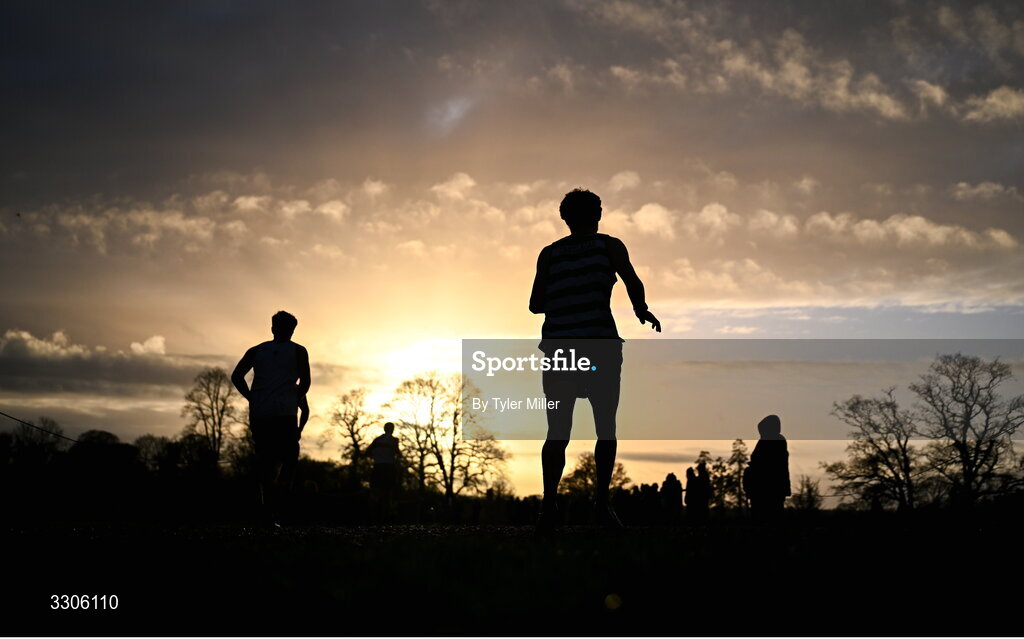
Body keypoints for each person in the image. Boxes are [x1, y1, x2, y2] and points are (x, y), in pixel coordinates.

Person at [530, 188, 661, 533]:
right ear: (597, 213)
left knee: (557, 430)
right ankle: (601, 506)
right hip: (600, 346)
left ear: (565, 218)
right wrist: (640, 309)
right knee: (606, 427)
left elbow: (535, 303)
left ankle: (549, 507)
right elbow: (632, 281)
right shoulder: (609, 246)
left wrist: (565, 298)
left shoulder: (549, 253)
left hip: (560, 347)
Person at [231, 310, 311, 525]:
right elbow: (306, 382)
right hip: (284, 413)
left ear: (273, 327)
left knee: (264, 461)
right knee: (289, 459)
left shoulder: (257, 350)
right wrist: (296, 398)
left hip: (260, 413)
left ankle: (266, 512)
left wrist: (251, 397)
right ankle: (278, 509)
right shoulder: (299, 351)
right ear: (293, 330)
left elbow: (236, 376)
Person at [743, 414, 791, 519]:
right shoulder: (767, 441)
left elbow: (770, 464)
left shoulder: (775, 441)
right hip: (762, 486)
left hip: (769, 487)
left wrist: (755, 466)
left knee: (769, 517)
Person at [366, 422, 401, 521]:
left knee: (375, 493)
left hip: (377, 467)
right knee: (388, 493)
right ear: (392, 429)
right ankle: (386, 518)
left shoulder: (376, 440)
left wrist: (376, 456)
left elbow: (367, 452)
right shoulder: (394, 440)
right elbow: (398, 454)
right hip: (389, 468)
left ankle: (372, 517)